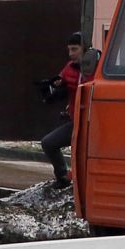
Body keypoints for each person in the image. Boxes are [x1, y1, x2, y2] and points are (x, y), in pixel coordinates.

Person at [37, 32, 88, 188]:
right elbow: (61, 89)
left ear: (85, 49)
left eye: (75, 49)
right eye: (69, 50)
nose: (71, 54)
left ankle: (83, 182)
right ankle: (63, 178)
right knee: (48, 143)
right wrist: (48, 91)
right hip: (76, 121)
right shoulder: (69, 67)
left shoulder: (96, 68)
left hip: (93, 123)